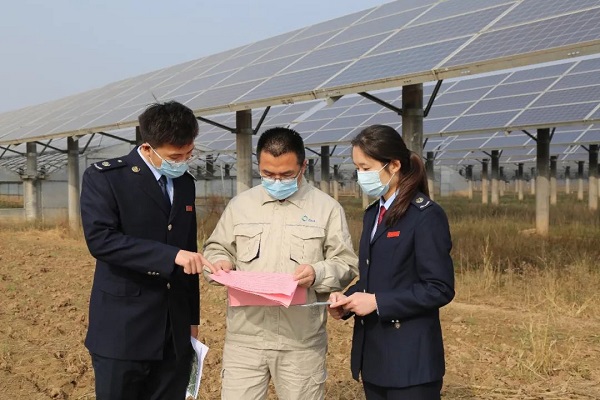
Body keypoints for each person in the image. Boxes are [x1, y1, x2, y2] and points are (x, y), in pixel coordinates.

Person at [202, 127, 359, 400]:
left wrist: (317, 272)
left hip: (300, 341)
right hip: (245, 338)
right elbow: (216, 247)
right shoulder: (240, 206)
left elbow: (346, 263)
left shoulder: (326, 209)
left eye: (286, 174)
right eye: (267, 174)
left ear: (302, 166)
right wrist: (220, 262)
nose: (276, 181)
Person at [80, 101, 214, 400]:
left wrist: (192, 322)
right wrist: (169, 256)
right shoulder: (106, 178)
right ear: (148, 146)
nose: (181, 162)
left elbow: (189, 252)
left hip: (174, 332)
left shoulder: (185, 185)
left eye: (188, 154)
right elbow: (101, 239)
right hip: (123, 330)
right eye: (174, 156)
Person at [328, 125, 455, 400]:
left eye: (366, 168)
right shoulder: (373, 214)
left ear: (394, 165)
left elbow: (439, 287)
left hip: (411, 362)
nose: (361, 176)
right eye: (357, 168)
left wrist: (377, 303)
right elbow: (375, 277)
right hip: (374, 357)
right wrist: (347, 301)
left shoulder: (425, 216)